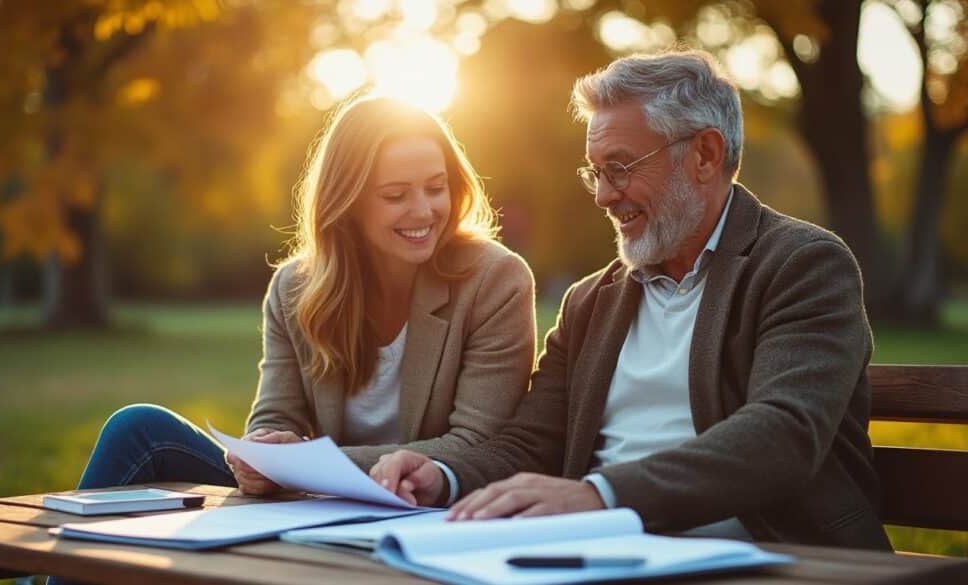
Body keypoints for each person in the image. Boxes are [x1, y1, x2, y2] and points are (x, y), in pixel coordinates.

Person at [371, 50, 893, 551]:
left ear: (705, 155)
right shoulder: (590, 301)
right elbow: (530, 444)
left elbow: (783, 434)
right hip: (605, 555)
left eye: (619, 167)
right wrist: (442, 475)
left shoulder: (801, 264)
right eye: (595, 172)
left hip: (772, 556)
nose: (602, 195)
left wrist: (601, 496)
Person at [69, 95, 536, 500]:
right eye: (396, 195)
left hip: (424, 500)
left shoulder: (495, 279)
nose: (424, 211)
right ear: (348, 200)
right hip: (311, 497)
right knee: (138, 429)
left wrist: (312, 465)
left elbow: (478, 443)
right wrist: (261, 455)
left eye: (436, 189)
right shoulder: (295, 287)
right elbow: (275, 414)